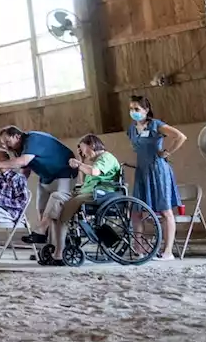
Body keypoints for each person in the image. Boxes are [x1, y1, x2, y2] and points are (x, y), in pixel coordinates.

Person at [0, 125, 75, 249]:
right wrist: (20, 184)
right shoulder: (19, 148)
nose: (6, 146)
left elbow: (23, 161)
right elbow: (26, 169)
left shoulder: (33, 139)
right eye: (3, 144)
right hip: (46, 176)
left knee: (54, 211)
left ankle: (52, 241)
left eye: (7, 142)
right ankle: (48, 244)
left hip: (64, 172)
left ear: (17, 136)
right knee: (41, 209)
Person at [46, 134, 122, 266]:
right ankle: (47, 232)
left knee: (62, 212)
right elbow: (82, 182)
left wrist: (79, 163)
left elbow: (95, 173)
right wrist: (80, 161)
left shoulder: (106, 158)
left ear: (91, 145)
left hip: (101, 194)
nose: (82, 153)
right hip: (86, 192)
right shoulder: (94, 162)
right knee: (55, 196)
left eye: (82, 149)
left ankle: (58, 249)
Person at [128, 95, 187, 260]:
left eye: (137, 109)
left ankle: (167, 251)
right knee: (137, 211)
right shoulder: (131, 129)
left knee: (165, 210)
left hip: (158, 170)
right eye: (131, 109)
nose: (134, 112)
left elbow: (180, 136)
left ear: (146, 110)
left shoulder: (156, 125)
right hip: (142, 171)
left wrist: (167, 152)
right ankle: (139, 249)